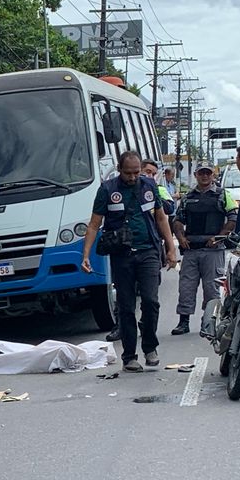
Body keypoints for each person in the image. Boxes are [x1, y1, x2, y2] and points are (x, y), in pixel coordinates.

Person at [82, 150, 178, 371]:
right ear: (119, 169)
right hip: (122, 256)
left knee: (151, 302)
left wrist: (171, 248)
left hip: (149, 252)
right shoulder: (107, 190)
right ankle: (129, 356)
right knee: (125, 307)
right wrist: (85, 256)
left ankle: (150, 346)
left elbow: (161, 217)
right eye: (128, 173)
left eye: (136, 172)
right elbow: (94, 224)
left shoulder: (149, 186)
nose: (133, 177)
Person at [169, 164, 230, 335]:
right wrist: (180, 238)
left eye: (208, 173)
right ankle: (183, 321)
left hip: (213, 250)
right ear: (196, 175)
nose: (204, 176)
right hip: (191, 249)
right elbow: (178, 220)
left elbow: (233, 217)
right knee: (186, 286)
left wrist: (219, 236)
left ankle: (209, 322)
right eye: (201, 173)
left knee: (212, 288)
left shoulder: (223, 194)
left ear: (213, 174)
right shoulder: (188, 197)